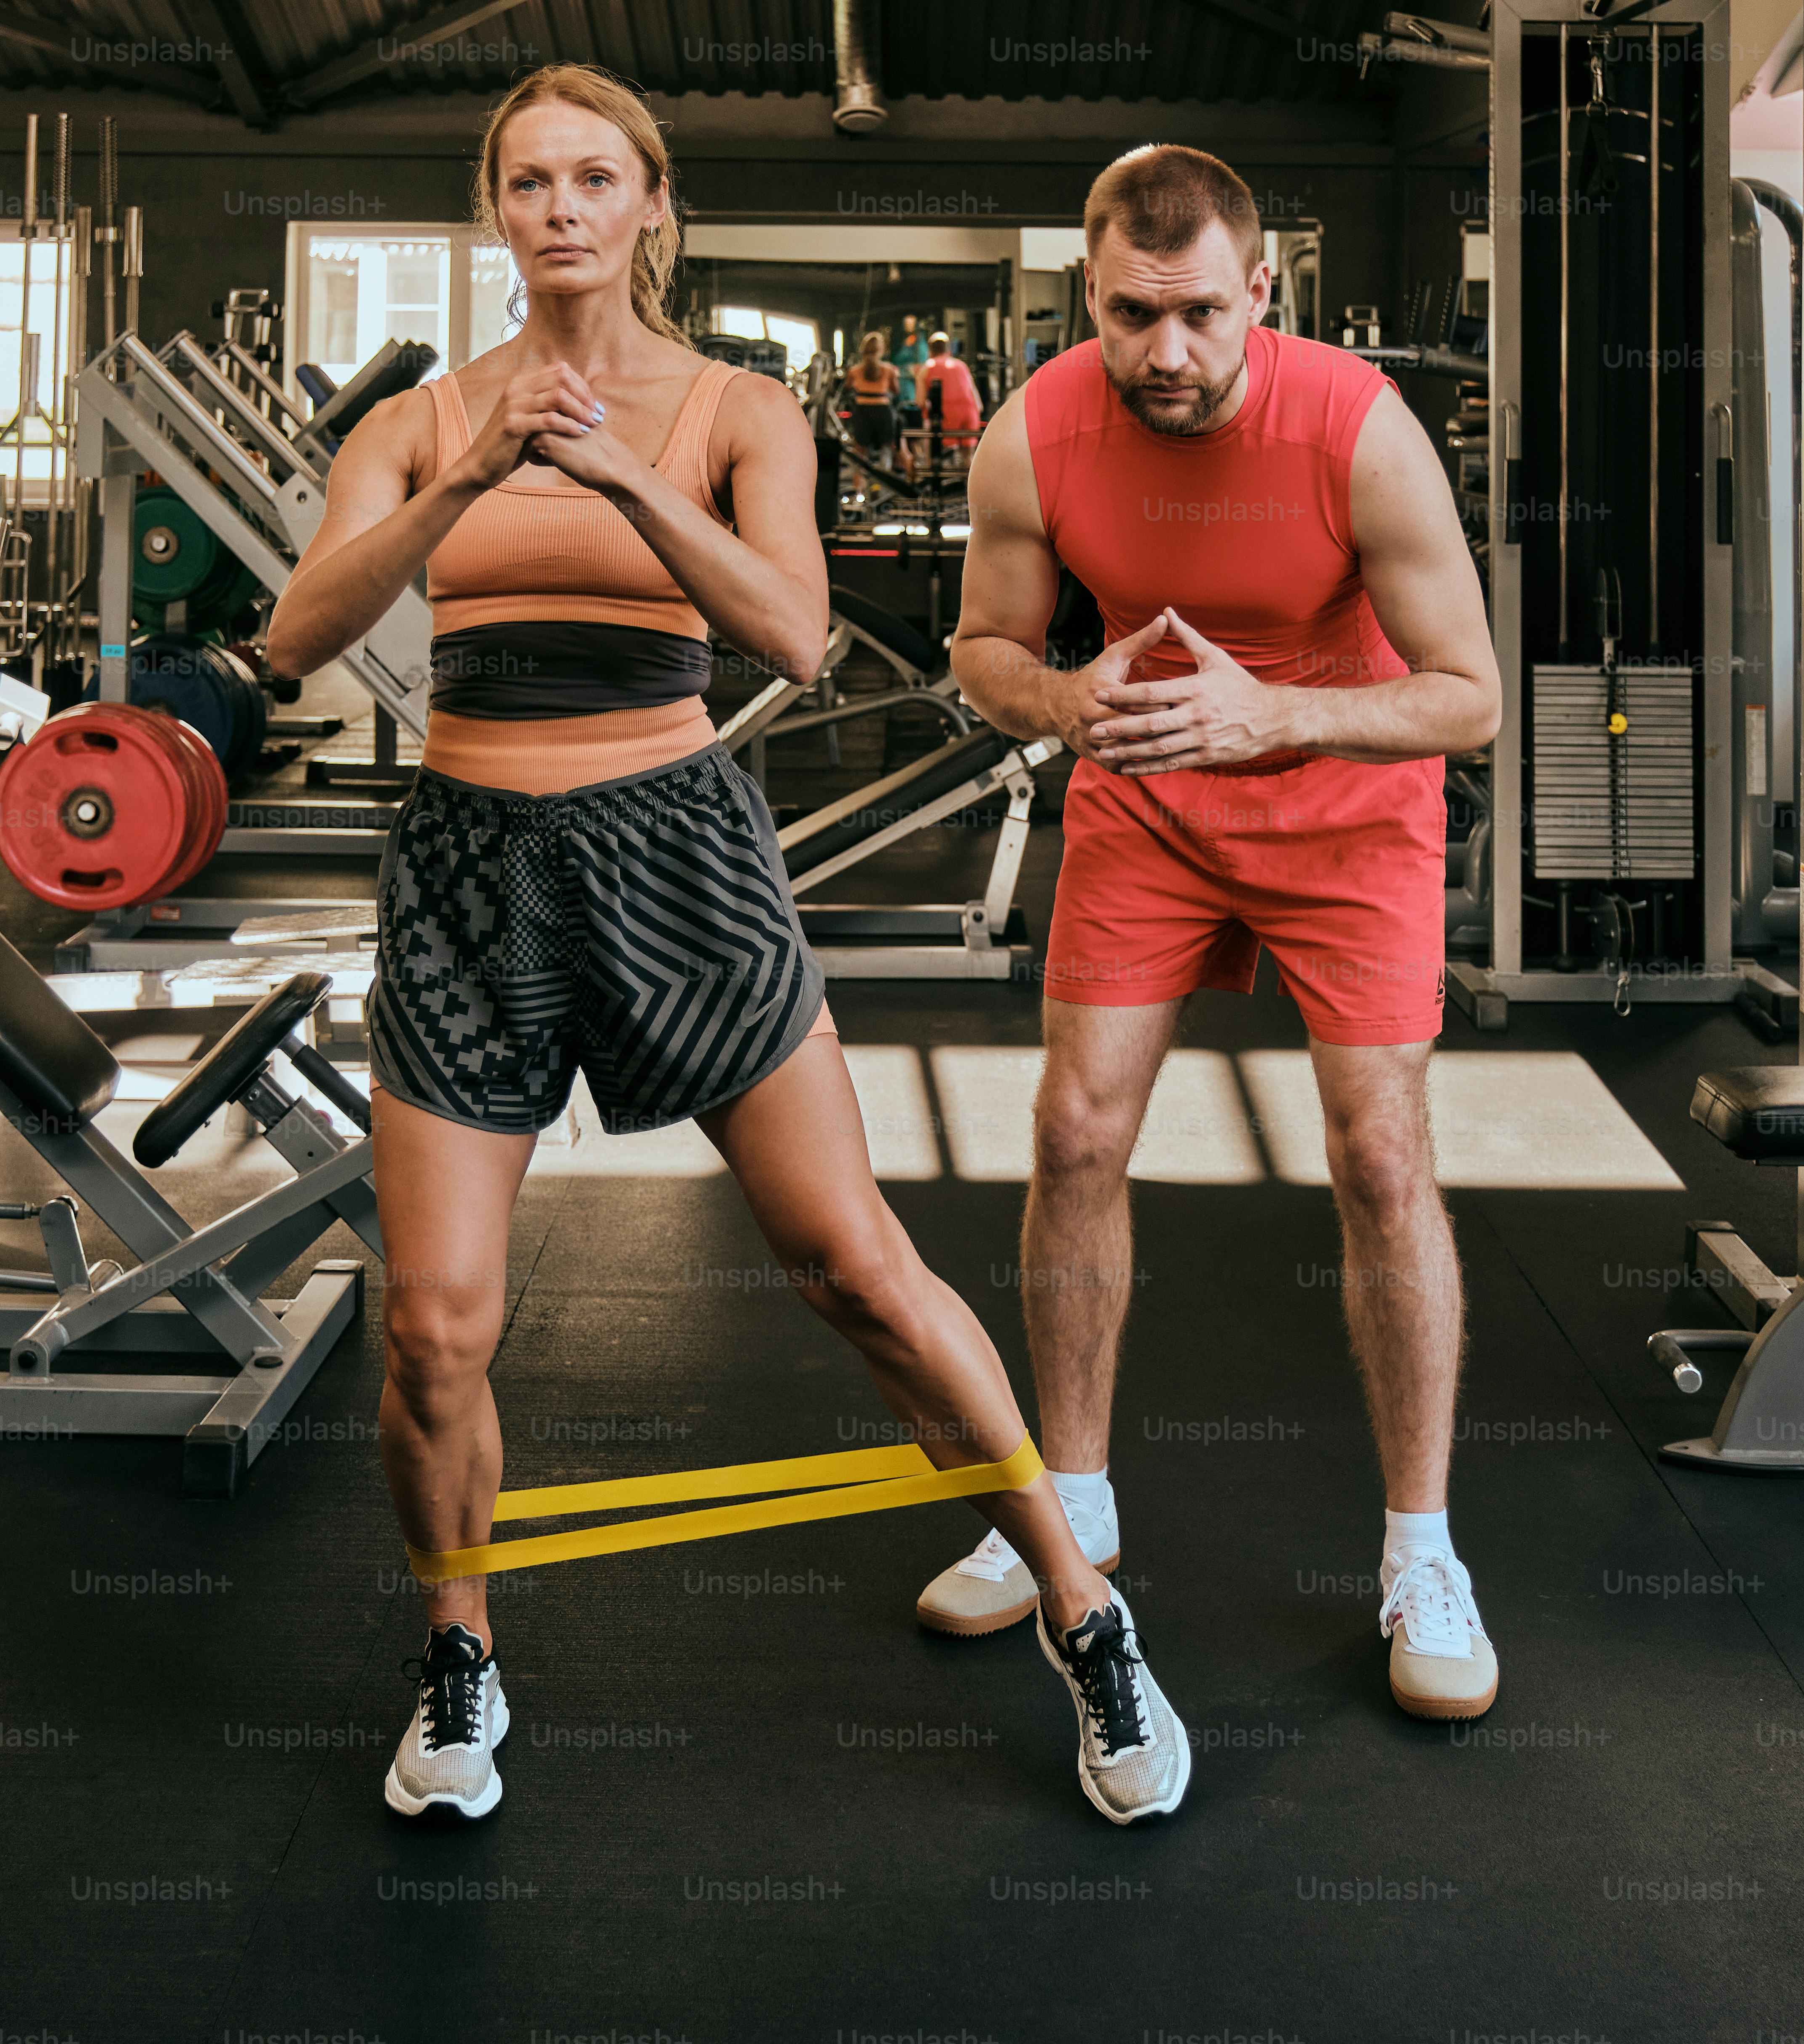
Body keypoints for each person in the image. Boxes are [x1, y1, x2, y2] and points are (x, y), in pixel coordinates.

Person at [264, 64, 1191, 1826]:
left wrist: (616, 474)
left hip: (677, 849)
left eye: (593, 179)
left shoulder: (735, 407)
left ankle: (1083, 1605)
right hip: (469, 864)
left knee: (852, 1266)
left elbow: (795, 630)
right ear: (496, 211)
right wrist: (469, 475)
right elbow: (297, 636)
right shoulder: (417, 421)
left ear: (648, 208)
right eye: (528, 180)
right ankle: (460, 1658)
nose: (560, 208)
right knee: (436, 1331)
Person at [920, 143, 1507, 1719]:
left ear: (1261, 289)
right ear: (1086, 295)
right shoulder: (1036, 431)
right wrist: (1064, 697)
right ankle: (1075, 1504)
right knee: (1072, 1132)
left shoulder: (1358, 432)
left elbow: (1472, 697)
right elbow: (981, 644)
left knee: (1381, 1155)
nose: (1162, 353)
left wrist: (1278, 714)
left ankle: (1421, 1549)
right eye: (1127, 314)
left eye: (1194, 313)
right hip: (1148, 795)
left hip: (1343, 801)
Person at [914, 330, 985, 473]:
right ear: (948, 348)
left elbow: (920, 402)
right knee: (968, 457)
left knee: (943, 455)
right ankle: (968, 491)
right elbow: (978, 402)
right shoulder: (961, 366)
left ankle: (940, 485)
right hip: (969, 413)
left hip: (947, 415)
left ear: (931, 349)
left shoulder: (928, 367)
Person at [842, 329, 902, 474]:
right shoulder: (889, 370)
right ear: (881, 350)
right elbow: (896, 391)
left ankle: (858, 488)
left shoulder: (854, 371)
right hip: (882, 410)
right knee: (895, 447)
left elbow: (846, 389)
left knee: (860, 452)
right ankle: (911, 483)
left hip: (862, 411)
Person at [890, 315, 930, 467]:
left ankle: (917, 463)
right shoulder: (901, 342)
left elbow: (920, 367)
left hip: (913, 395)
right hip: (902, 394)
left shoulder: (920, 342)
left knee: (915, 432)